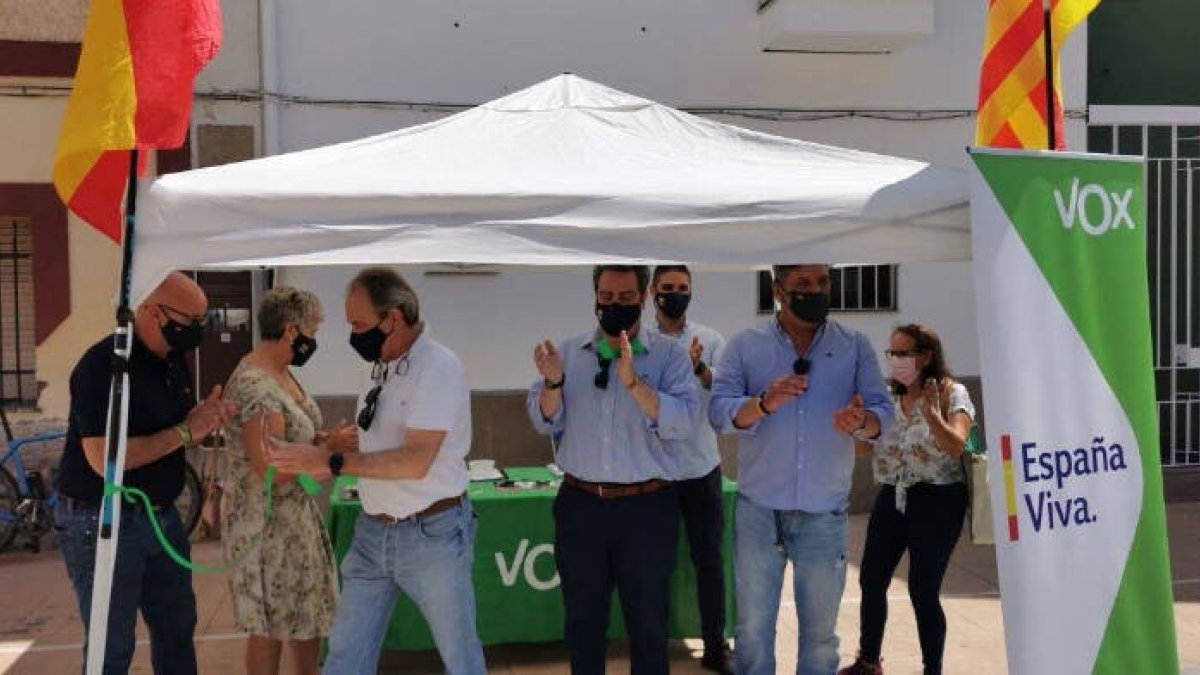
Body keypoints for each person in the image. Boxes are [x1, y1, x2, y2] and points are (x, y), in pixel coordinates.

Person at [268, 267, 485, 675]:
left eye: (359, 325)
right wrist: (330, 446)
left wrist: (332, 463)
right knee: (345, 654)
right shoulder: (379, 364)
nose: (354, 336)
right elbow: (378, 440)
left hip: (431, 534)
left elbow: (415, 460)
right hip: (373, 532)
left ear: (394, 318)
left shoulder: (438, 367)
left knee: (460, 656)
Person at [709, 264, 893, 675]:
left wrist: (863, 423)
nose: (816, 291)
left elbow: (884, 412)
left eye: (823, 283)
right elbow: (719, 412)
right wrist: (763, 403)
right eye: (803, 285)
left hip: (824, 514)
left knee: (821, 638)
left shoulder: (855, 346)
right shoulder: (745, 345)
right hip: (759, 512)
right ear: (778, 290)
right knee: (752, 631)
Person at [54, 271, 238, 674]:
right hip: (103, 518)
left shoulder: (172, 361)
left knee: (177, 628)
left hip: (161, 517)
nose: (199, 331)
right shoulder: (102, 367)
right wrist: (186, 431)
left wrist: (202, 420)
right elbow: (105, 461)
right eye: (193, 321)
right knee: (112, 644)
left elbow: (174, 430)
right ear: (155, 313)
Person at [527, 264, 700, 675]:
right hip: (581, 505)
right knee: (583, 622)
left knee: (648, 625)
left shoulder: (671, 355)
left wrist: (634, 383)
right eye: (606, 297)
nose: (614, 305)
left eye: (625, 298)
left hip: (647, 507)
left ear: (643, 298)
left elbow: (683, 422)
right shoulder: (569, 353)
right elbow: (543, 420)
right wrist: (552, 385)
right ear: (594, 297)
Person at [220, 287, 356, 675]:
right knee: (271, 624)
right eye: (313, 331)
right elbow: (271, 471)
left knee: (304, 616)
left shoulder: (280, 373)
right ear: (292, 330)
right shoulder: (256, 387)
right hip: (268, 525)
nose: (314, 341)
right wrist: (329, 458)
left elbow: (293, 442)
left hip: (294, 518)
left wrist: (324, 441)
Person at [839, 324, 974, 675]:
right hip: (893, 495)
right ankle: (868, 661)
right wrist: (857, 423)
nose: (896, 361)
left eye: (904, 353)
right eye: (892, 353)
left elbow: (956, 444)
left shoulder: (952, 394)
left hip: (938, 500)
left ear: (926, 356)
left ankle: (933, 669)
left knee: (922, 590)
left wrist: (932, 416)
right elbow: (863, 450)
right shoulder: (886, 397)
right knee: (871, 579)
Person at [644, 265, 732, 673]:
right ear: (652, 293)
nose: (675, 295)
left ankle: (716, 646)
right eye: (667, 288)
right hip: (653, 472)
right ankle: (654, 649)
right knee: (653, 566)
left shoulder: (710, 340)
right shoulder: (637, 342)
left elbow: (728, 395)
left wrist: (701, 369)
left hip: (700, 469)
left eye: (682, 288)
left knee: (709, 562)